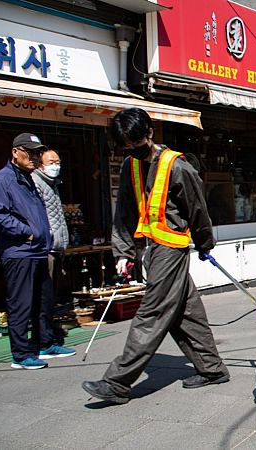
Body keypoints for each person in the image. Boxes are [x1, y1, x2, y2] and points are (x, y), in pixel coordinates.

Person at [82, 108, 229, 404]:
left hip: (171, 249)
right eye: (126, 146)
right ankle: (212, 369)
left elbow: (197, 209)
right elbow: (123, 212)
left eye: (135, 145)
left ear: (149, 134)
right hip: (152, 247)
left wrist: (205, 244)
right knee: (186, 312)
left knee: (151, 312)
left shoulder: (177, 166)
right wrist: (123, 252)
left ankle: (117, 382)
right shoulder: (129, 166)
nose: (132, 151)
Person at [0, 133, 76, 370]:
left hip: (38, 250)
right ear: (15, 152)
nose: (34, 157)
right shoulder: (3, 179)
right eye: (30, 152)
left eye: (37, 152)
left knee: (43, 301)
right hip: (19, 251)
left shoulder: (28, 178)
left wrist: (40, 235)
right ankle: (21, 354)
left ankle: (45, 343)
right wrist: (26, 232)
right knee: (20, 304)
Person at [32, 148, 70, 345]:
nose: (56, 165)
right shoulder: (37, 182)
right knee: (44, 296)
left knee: (51, 295)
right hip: (46, 247)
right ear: (40, 164)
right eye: (51, 162)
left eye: (58, 161)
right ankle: (43, 337)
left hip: (56, 247)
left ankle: (48, 331)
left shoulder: (52, 184)